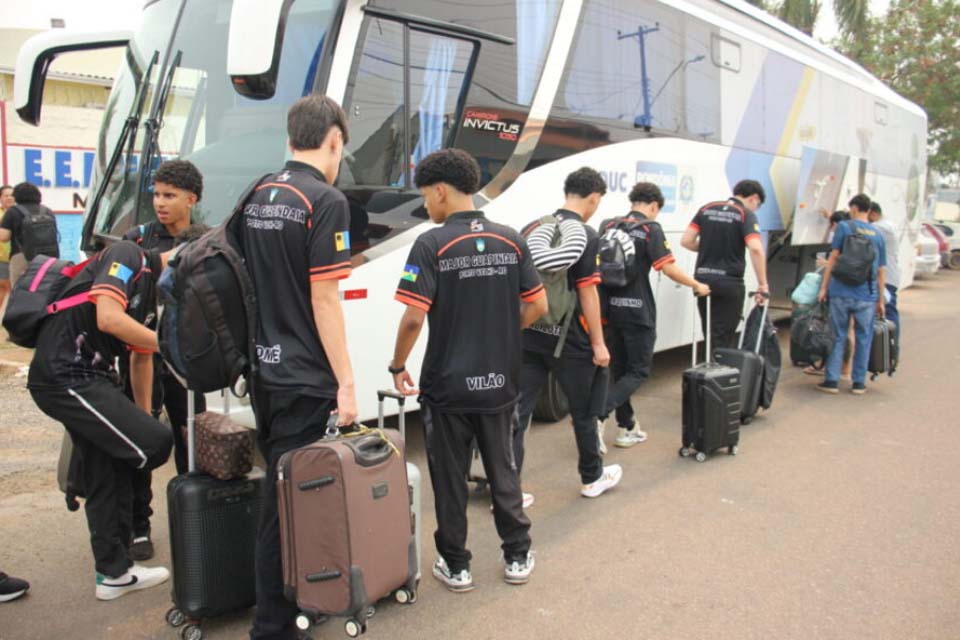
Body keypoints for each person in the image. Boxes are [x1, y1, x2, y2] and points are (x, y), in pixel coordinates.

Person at [390, 149, 546, 592]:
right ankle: (517, 555)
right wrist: (502, 329)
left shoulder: (432, 244)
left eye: (425, 196)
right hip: (499, 384)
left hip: (447, 388)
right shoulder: (512, 239)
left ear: (440, 190)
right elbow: (538, 304)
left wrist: (397, 364)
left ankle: (456, 566)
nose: (426, 206)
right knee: (503, 470)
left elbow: (414, 318)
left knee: (450, 479)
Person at [241, 95, 357, 640]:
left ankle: (288, 604)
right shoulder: (325, 200)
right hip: (305, 376)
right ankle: (273, 624)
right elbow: (325, 299)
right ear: (333, 140)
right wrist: (348, 384)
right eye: (341, 149)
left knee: (280, 492)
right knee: (285, 506)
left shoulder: (258, 191)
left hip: (263, 371)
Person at [27, 239, 175, 601]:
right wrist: (173, 347)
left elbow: (141, 360)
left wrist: (141, 415)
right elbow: (108, 318)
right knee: (155, 443)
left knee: (109, 468)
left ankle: (115, 574)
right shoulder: (128, 256)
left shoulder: (151, 296)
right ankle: (81, 475)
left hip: (91, 379)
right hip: (66, 374)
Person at [516, 167, 622, 501]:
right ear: (594, 197)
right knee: (584, 411)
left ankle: (508, 490)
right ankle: (591, 478)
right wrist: (599, 343)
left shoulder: (532, 227)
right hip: (571, 340)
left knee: (518, 414)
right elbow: (588, 292)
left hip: (530, 332)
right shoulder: (587, 235)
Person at [120, 160, 208, 561]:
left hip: (186, 360)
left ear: (192, 199)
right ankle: (139, 525)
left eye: (169, 195)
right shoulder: (137, 240)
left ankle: (196, 519)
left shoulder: (207, 239)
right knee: (141, 440)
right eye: (156, 194)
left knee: (192, 440)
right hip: (141, 357)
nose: (160, 203)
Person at [597, 182, 710, 449]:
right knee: (638, 371)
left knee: (621, 371)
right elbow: (667, 269)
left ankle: (627, 427)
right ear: (653, 206)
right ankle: (598, 414)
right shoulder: (651, 229)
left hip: (609, 309)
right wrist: (696, 284)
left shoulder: (608, 225)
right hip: (637, 311)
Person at [681, 179, 768, 351]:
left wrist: (709, 247)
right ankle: (719, 372)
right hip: (730, 283)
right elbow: (756, 249)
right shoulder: (746, 215)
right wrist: (763, 284)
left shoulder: (706, 209)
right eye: (757, 205)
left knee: (710, 332)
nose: (755, 208)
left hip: (703, 280)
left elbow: (686, 241)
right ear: (754, 198)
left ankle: (710, 369)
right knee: (723, 336)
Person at [816, 193, 886, 394]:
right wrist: (880, 300)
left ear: (854, 208)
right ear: (869, 210)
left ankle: (831, 381)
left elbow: (833, 258)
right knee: (864, 337)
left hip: (840, 291)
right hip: (867, 295)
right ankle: (858, 383)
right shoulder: (878, 235)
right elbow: (881, 271)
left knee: (838, 335)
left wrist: (824, 287)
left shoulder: (845, 227)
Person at [804, 210, 854, 379]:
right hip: (856, 292)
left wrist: (824, 287)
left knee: (831, 331)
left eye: (831, 225)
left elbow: (836, 263)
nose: (831, 229)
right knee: (848, 332)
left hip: (838, 290)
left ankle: (827, 368)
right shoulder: (858, 234)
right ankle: (845, 370)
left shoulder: (841, 239)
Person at [0, 182, 59, 286]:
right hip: (48, 258)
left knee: (20, 290)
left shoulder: (13, 211)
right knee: (44, 288)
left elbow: (4, 237)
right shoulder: (47, 211)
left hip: (21, 257)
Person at [868, 201, 900, 331]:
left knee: (889, 313)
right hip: (890, 276)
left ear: (874, 214)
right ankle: (891, 347)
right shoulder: (889, 225)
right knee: (889, 312)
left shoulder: (880, 227)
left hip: (886, 278)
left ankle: (892, 346)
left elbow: (859, 228)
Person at [0, 185, 14, 312]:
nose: (9, 198)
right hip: (2, 258)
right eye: (6, 195)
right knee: (3, 288)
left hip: (15, 259)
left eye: (11, 195)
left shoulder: (19, 214)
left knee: (13, 289)